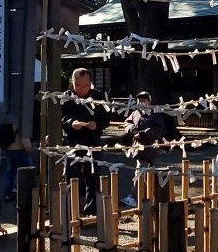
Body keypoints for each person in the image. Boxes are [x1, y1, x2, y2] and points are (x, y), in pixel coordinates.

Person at [60, 68, 111, 216]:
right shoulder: (66, 98)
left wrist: (97, 124)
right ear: (72, 83)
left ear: (91, 84)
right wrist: (71, 123)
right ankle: (70, 211)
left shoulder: (98, 97)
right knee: (71, 177)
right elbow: (60, 119)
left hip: (93, 142)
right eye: (79, 85)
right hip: (72, 143)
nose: (82, 89)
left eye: (86, 85)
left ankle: (92, 211)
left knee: (93, 178)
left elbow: (106, 118)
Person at [120, 91, 165, 207]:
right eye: (140, 100)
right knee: (146, 172)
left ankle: (132, 196)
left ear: (149, 101)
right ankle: (153, 197)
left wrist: (143, 134)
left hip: (149, 146)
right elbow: (127, 123)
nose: (142, 102)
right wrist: (133, 130)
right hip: (137, 145)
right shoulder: (135, 112)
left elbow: (159, 129)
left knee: (140, 170)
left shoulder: (155, 113)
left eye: (144, 100)